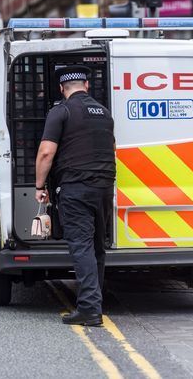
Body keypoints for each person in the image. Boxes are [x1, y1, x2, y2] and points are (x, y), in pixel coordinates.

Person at [35, 65, 115, 326]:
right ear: (86, 85)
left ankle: (90, 309)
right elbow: (112, 147)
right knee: (97, 247)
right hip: (104, 188)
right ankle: (94, 302)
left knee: (82, 246)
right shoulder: (104, 113)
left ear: (62, 88)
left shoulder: (61, 112)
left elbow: (46, 152)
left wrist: (39, 186)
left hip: (76, 188)